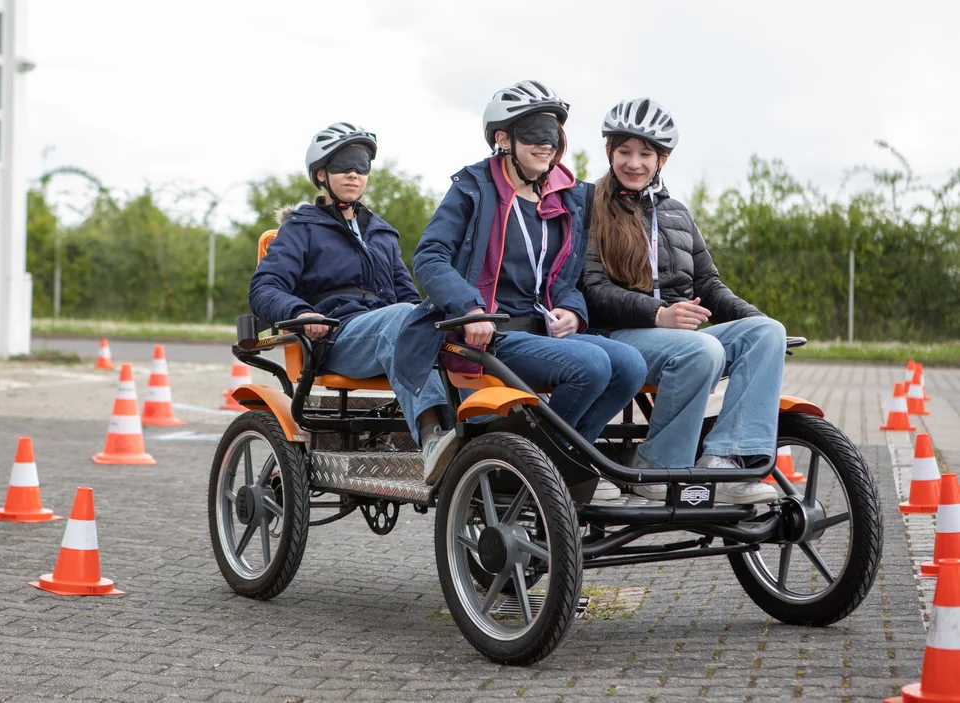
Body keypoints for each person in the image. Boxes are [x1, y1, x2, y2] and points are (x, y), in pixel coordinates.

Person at [395, 81, 647, 495]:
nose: (546, 145)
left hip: (542, 330)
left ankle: (556, 461)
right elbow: (429, 256)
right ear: (503, 139)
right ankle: (537, 467)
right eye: (534, 134)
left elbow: (566, 277)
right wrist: (469, 308)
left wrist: (571, 309)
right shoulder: (473, 188)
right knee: (592, 366)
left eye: (553, 135)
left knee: (630, 366)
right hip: (489, 331)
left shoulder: (568, 197)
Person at [581, 97, 786, 504]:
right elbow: (591, 289)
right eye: (624, 152)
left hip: (683, 338)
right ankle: (655, 467)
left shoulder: (677, 213)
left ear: (663, 160)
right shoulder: (589, 206)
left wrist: (755, 320)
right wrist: (658, 314)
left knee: (767, 333)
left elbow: (709, 286)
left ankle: (725, 460)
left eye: (645, 154)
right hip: (619, 336)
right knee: (703, 348)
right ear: (609, 152)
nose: (634, 162)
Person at [249, 122, 458, 477]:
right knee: (402, 319)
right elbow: (264, 288)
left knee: (449, 322)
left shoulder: (382, 234)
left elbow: (408, 298)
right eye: (343, 165)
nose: (353, 173)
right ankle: (432, 438)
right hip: (335, 339)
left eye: (361, 166)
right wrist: (300, 312)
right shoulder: (301, 228)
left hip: (389, 334)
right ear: (320, 173)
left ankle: (477, 436)